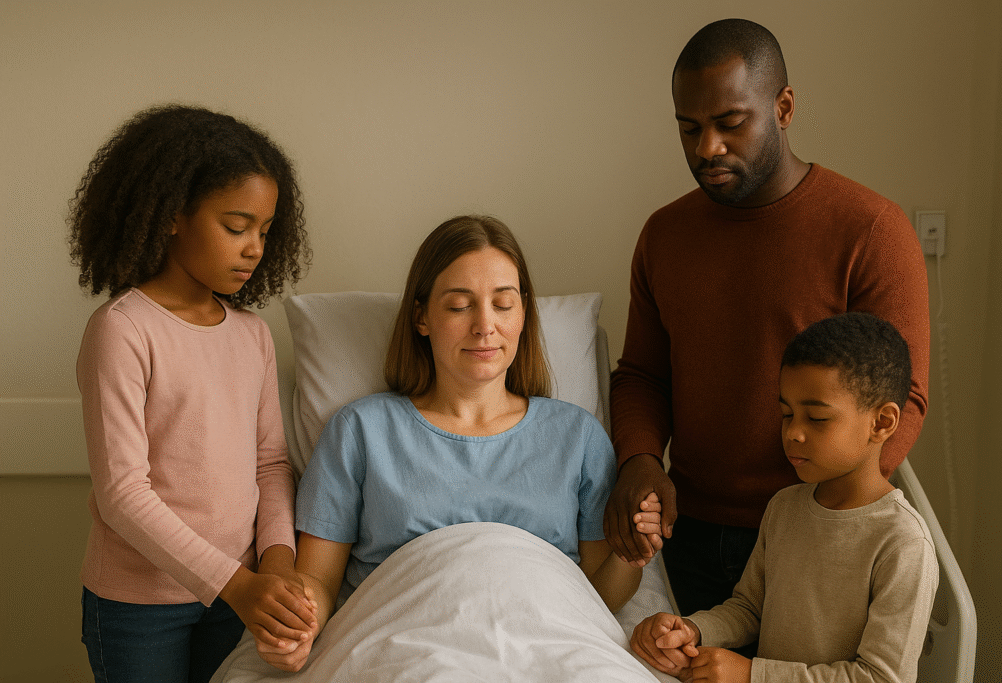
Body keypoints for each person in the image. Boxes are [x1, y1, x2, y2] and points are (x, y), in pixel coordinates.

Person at [603, 18, 931, 617]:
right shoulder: (664, 236)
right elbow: (641, 376)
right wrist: (642, 462)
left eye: (730, 123)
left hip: (820, 531)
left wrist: (826, 513)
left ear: (782, 106)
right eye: (689, 128)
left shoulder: (870, 231)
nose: (707, 148)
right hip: (690, 532)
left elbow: (902, 399)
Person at [256, 215, 644, 672]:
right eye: (460, 305)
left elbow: (598, 596)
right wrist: (297, 622)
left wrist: (632, 551)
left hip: (551, 646)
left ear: (523, 315)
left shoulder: (577, 436)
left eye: (503, 304)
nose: (485, 326)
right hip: (408, 646)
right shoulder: (362, 430)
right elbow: (317, 581)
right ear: (421, 316)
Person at [70, 104, 315, 683]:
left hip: (240, 599)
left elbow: (272, 462)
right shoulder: (123, 329)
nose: (254, 247)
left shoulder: (253, 335)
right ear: (172, 214)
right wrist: (239, 584)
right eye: (236, 227)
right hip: (138, 608)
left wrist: (275, 566)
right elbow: (123, 494)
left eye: (264, 230)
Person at [631, 312, 939, 682]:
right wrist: (692, 631)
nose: (793, 433)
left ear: (882, 422)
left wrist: (751, 675)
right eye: (786, 414)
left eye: (817, 418)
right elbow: (748, 609)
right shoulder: (785, 507)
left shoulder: (903, 542)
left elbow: (881, 677)